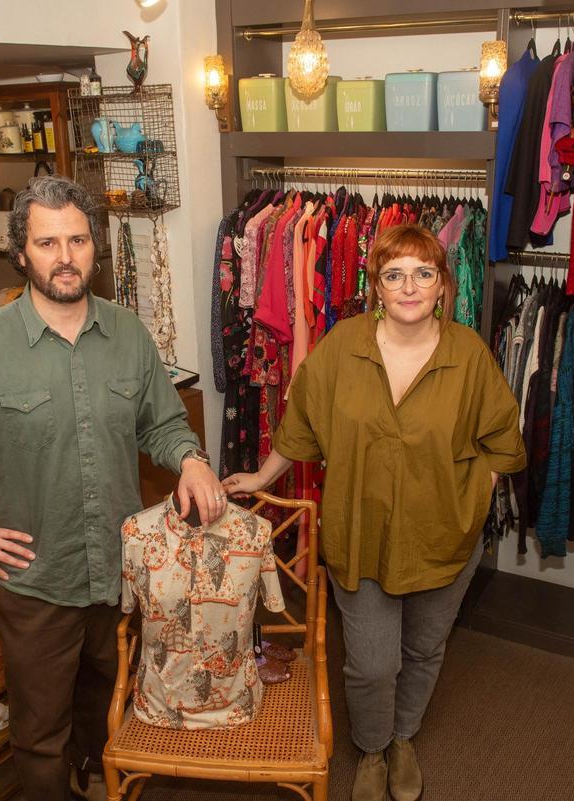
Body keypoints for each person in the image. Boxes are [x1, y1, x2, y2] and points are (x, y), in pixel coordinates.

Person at [0, 175, 226, 801]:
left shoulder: (128, 334)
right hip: (37, 582)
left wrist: (192, 461)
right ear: (22, 254)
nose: (65, 257)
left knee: (116, 705)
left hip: (120, 569)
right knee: (41, 733)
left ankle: (104, 784)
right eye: (47, 242)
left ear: (95, 248)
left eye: (77, 240)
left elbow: (163, 421)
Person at [224, 224, 526, 801]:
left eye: (423, 273)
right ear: (376, 288)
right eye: (394, 274)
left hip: (445, 536)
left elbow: (502, 438)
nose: (409, 286)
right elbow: (304, 419)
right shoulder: (343, 347)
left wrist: (476, 491)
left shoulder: (469, 355)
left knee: (424, 649)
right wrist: (264, 475)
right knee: (369, 665)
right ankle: (371, 745)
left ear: (442, 286)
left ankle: (402, 738)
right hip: (361, 534)